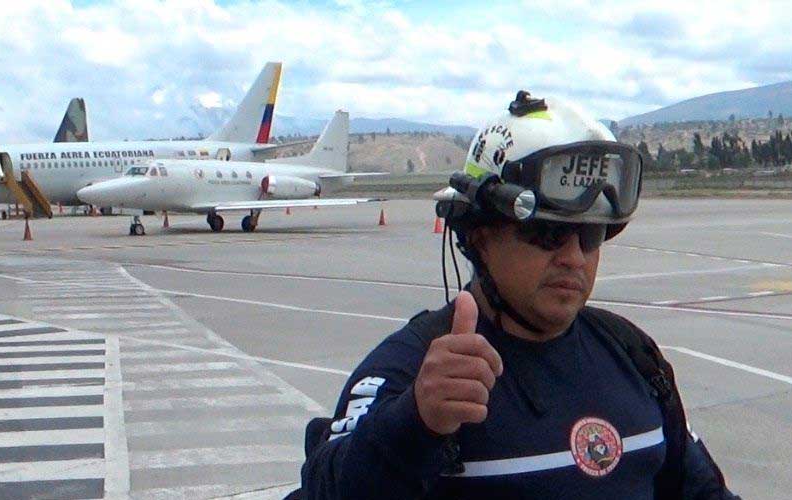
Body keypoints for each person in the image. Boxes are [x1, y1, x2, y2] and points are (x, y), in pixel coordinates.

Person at [297, 91, 739, 499]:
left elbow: (700, 490)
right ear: (481, 237)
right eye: (549, 233)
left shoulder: (633, 356)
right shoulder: (416, 372)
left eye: (591, 236)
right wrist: (414, 422)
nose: (574, 259)